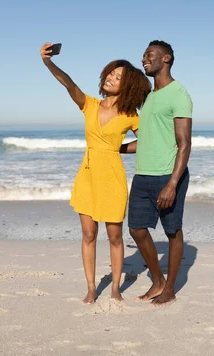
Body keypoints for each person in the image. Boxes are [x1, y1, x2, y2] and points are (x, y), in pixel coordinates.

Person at [40, 42, 151, 304]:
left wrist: (119, 149)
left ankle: (114, 288)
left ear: (129, 86)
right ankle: (91, 288)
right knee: (89, 235)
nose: (112, 78)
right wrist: (48, 62)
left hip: (112, 177)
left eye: (119, 77)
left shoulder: (130, 115)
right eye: (111, 74)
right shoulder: (89, 105)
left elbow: (147, 141)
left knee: (114, 236)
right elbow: (69, 85)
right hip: (87, 176)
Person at [121, 40, 193, 307]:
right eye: (143, 55)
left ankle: (170, 289)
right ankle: (158, 280)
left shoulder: (179, 94)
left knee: (173, 231)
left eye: (149, 54)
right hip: (143, 175)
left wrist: (172, 184)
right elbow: (148, 140)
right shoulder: (149, 98)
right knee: (137, 229)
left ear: (167, 58)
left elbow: (184, 143)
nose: (143, 59)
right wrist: (115, 148)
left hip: (167, 175)